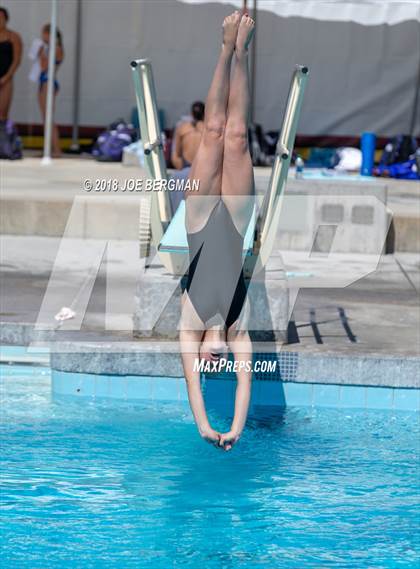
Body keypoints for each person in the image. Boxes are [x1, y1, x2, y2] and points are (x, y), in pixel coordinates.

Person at [180, 12, 255, 452]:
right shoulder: (240, 331)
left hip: (200, 220)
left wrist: (206, 427)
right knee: (238, 137)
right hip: (238, 222)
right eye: (217, 367)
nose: (209, 365)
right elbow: (245, 388)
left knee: (213, 132)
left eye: (205, 366)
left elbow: (192, 387)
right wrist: (236, 429)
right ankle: (241, 53)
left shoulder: (189, 330)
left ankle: (224, 47)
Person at [38, 23, 64, 157]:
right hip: (45, 81)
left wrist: (41, 54)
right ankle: (48, 148)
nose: (42, 36)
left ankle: (56, 149)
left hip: (48, 81)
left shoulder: (55, 49)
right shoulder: (50, 48)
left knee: (49, 117)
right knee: (45, 117)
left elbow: (44, 67)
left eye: (44, 33)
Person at [0, 6, 22, 120]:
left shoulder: (13, 37)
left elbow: (17, 60)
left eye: (1, 17)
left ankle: (4, 136)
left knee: (2, 114)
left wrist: (6, 77)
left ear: (6, 19)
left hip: (5, 79)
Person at [171, 101, 205, 169]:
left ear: (191, 114)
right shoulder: (209, 129)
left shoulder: (182, 128)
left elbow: (176, 153)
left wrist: (180, 169)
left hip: (187, 166)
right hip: (203, 167)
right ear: (204, 113)